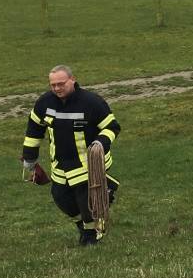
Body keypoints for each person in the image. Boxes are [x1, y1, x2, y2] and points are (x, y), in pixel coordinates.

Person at [21, 65, 120, 245]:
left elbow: (112, 127)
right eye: (53, 85)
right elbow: (34, 129)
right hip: (60, 164)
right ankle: (89, 221)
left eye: (61, 84)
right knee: (61, 198)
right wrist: (29, 158)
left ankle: (91, 236)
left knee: (86, 202)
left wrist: (100, 143)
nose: (57, 88)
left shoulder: (92, 102)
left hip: (88, 163)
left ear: (72, 80)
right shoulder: (44, 103)